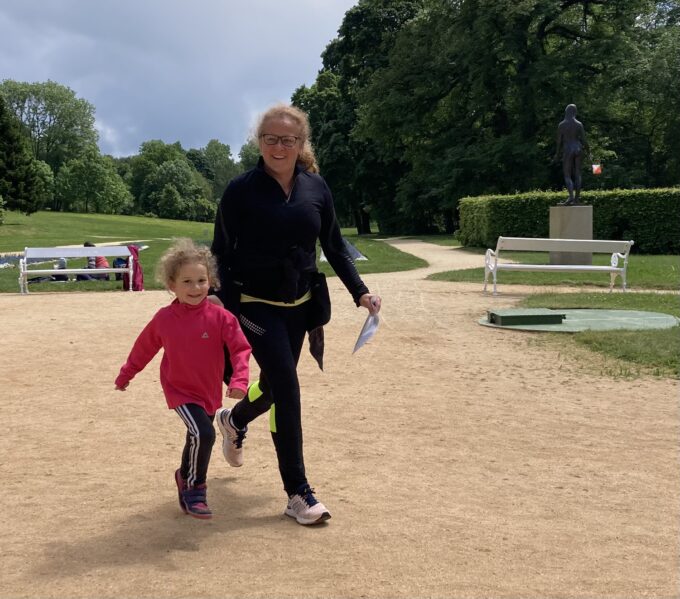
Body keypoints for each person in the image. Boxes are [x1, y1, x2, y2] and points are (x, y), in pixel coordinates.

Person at [210, 103, 382, 526]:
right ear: (259, 142)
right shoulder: (240, 191)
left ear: (301, 143)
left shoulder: (316, 188)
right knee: (287, 388)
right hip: (254, 306)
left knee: (273, 386)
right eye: (270, 138)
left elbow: (334, 246)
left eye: (288, 140)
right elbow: (220, 253)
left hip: (300, 306)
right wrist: (222, 307)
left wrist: (360, 292)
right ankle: (298, 493)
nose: (279, 146)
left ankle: (233, 420)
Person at [114, 238, 251, 519]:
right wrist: (127, 373)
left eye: (201, 281)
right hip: (179, 390)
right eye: (187, 282)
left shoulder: (221, 317)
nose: (195, 288)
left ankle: (183, 475)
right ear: (171, 285)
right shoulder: (164, 318)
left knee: (196, 436)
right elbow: (144, 348)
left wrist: (239, 380)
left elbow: (240, 349)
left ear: (211, 281)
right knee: (204, 433)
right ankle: (195, 488)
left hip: (208, 390)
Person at [554, 104, 590, 205]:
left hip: (568, 149)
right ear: (575, 112)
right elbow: (584, 140)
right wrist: (589, 152)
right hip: (578, 148)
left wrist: (557, 154)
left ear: (566, 112)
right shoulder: (579, 124)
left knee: (567, 174)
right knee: (578, 174)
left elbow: (559, 141)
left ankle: (571, 197)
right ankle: (576, 199)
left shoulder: (562, 125)